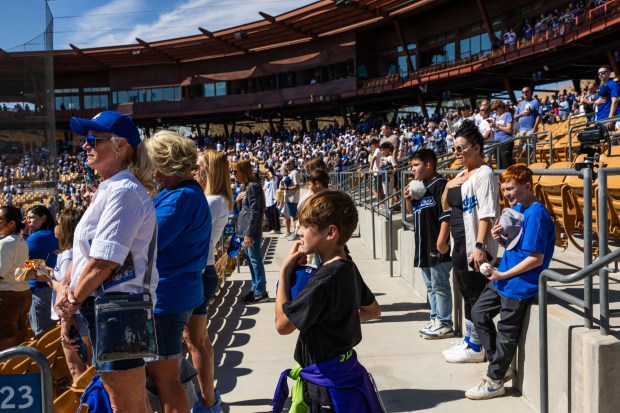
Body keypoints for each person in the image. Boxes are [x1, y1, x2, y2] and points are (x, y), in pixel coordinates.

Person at [55, 110, 158, 413]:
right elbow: (86, 253)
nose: (85, 146)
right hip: (102, 306)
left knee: (125, 406)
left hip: (116, 310)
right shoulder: (111, 188)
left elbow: (104, 263)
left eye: (93, 140)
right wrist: (64, 286)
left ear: (120, 145)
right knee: (129, 404)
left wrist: (69, 304)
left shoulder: (124, 191)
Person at [274, 190, 382, 412]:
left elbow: (283, 325)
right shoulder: (348, 267)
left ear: (330, 232)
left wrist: (284, 272)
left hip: (326, 389)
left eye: (305, 226)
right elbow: (372, 310)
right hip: (345, 371)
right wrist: (335, 321)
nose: (299, 231)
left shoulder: (323, 279)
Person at [466, 164, 555, 399]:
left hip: (518, 283)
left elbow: (535, 259)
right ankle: (500, 365)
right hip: (503, 276)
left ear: (527, 186)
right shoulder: (518, 208)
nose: (506, 194)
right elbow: (517, 246)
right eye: (504, 189)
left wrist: (502, 274)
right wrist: (501, 238)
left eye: (511, 189)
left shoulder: (536, 214)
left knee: (506, 332)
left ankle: (494, 380)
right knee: (478, 312)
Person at [145, 130, 212, 413]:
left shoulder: (179, 198)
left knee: (166, 381)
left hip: (167, 298)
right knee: (167, 377)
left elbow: (146, 241)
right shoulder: (183, 193)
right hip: (175, 294)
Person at [441, 120, 500, 363]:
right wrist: (448, 185)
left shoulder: (484, 174)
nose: (457, 153)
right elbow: (445, 204)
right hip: (458, 245)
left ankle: (477, 347)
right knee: (465, 293)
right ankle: (470, 339)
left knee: (475, 295)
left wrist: (479, 246)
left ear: (476, 147)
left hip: (472, 245)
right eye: (455, 148)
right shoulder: (461, 174)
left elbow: (486, 213)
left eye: (462, 148)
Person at [186, 150, 234, 412]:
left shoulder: (213, 201)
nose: (195, 171)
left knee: (195, 341)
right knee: (200, 340)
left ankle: (207, 402)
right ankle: (209, 397)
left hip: (200, 272)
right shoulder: (218, 199)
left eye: (199, 166)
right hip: (204, 271)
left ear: (210, 171)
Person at [404, 150, 453, 339]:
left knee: (440, 285)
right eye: (412, 166)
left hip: (436, 244)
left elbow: (446, 215)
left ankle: (445, 322)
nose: (412, 169)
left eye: (416, 165)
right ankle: (435, 318)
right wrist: (409, 199)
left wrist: (442, 241)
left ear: (428, 165)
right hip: (422, 245)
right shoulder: (419, 186)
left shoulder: (440, 185)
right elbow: (414, 212)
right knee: (430, 286)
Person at [49, 208, 92, 384]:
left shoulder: (70, 254)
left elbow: (67, 287)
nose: (56, 226)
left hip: (74, 314)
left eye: (59, 223)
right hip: (79, 312)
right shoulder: (77, 251)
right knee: (89, 368)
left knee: (78, 369)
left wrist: (45, 278)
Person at [24, 204, 59, 337]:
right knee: (52, 334)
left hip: (39, 289)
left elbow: (21, 261)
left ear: (43, 218)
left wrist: (37, 265)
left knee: (41, 333)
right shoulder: (54, 234)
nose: (27, 221)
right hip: (54, 286)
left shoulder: (36, 237)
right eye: (26, 218)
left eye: (31, 218)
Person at [236, 159, 268, 304]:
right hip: (245, 231)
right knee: (250, 261)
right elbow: (245, 210)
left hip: (251, 233)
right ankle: (256, 289)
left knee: (255, 261)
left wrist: (249, 234)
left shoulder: (253, 186)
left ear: (243, 172)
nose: (234, 175)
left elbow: (256, 212)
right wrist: (238, 201)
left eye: (236, 172)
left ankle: (260, 292)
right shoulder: (248, 186)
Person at [0, 206, 32, 350]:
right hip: (23, 293)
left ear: (12, 223)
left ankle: (7, 373)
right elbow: (25, 265)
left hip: (8, 297)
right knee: (19, 338)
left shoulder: (5, 243)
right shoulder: (21, 241)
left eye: (1, 219)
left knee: (6, 342)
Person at [489, 100, 514, 169]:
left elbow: (509, 129)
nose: (494, 111)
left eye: (496, 109)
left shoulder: (507, 114)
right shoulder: (495, 117)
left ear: (501, 107)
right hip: (497, 142)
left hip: (506, 141)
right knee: (499, 164)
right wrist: (492, 126)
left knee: (506, 163)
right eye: (493, 109)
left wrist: (497, 126)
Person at [281, 159, 301, 241]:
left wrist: (286, 188)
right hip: (288, 198)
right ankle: (288, 232)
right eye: (286, 164)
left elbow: (297, 186)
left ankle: (296, 233)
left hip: (292, 199)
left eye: (288, 164)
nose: (287, 165)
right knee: (286, 216)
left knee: (294, 217)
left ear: (293, 164)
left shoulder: (295, 173)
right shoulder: (290, 173)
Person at [263, 166, 281, 234]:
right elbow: (265, 190)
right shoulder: (266, 181)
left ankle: (277, 229)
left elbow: (272, 176)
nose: (267, 173)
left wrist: (269, 171)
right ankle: (271, 228)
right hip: (268, 201)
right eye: (266, 172)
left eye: (268, 172)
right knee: (269, 216)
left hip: (274, 200)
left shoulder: (275, 178)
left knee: (275, 215)